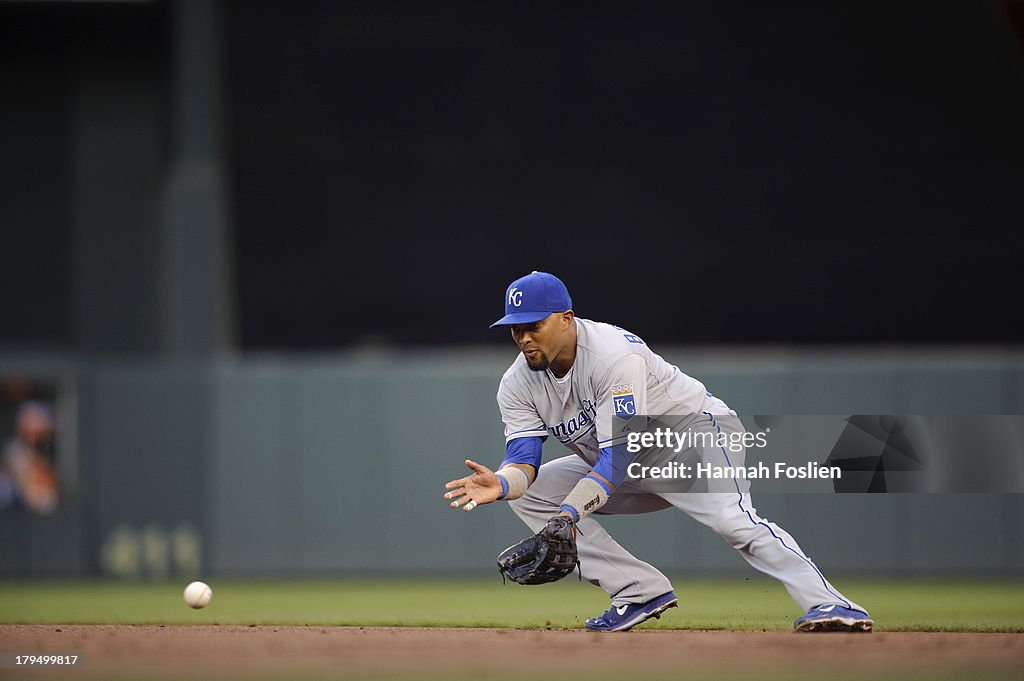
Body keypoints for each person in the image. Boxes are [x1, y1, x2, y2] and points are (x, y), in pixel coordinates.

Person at [443, 271, 872, 632]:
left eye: (533, 325)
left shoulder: (613, 356)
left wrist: (568, 517)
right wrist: (502, 483)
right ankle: (637, 591)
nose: (523, 338)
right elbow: (525, 460)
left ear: (566, 319)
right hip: (616, 462)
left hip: (692, 439)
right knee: (532, 494)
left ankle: (834, 605)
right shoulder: (517, 384)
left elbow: (618, 457)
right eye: (516, 329)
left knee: (733, 522)